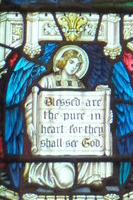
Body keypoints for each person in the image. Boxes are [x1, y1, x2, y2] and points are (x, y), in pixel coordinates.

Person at [23, 45, 112, 191]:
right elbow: (30, 103)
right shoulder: (47, 81)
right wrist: (30, 122)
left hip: (76, 139)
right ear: (63, 62)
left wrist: (103, 116)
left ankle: (92, 176)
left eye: (77, 65)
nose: (74, 67)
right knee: (66, 181)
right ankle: (35, 173)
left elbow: (87, 113)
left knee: (104, 134)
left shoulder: (79, 85)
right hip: (54, 141)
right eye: (71, 62)